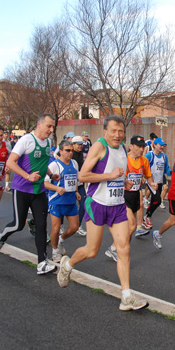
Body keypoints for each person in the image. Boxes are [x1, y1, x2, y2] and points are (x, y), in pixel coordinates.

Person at [57, 115, 149, 311]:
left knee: (124, 248)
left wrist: (122, 181)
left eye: (121, 131)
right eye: (113, 131)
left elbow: (117, 173)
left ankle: (126, 296)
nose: (117, 135)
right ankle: (67, 265)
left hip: (117, 205)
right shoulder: (100, 146)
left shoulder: (123, 148)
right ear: (104, 131)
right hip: (97, 203)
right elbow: (82, 175)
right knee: (92, 251)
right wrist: (110, 176)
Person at [0, 114, 59, 276]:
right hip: (22, 190)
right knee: (18, 224)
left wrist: (51, 174)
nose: (51, 130)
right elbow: (10, 162)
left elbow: (44, 160)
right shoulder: (26, 140)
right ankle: (1, 239)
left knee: (41, 225)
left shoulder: (48, 142)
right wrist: (28, 176)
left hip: (39, 190)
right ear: (39, 124)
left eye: (52, 127)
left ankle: (42, 262)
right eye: (49, 126)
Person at [106, 135, 156, 261]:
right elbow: (113, 175)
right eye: (139, 146)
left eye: (143, 146)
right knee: (132, 225)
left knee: (128, 228)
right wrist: (124, 181)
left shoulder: (144, 161)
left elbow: (148, 175)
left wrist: (152, 183)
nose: (141, 149)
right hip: (123, 195)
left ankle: (117, 248)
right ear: (131, 146)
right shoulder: (123, 159)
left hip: (135, 194)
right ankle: (115, 248)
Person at [46, 140, 81, 262]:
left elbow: (74, 179)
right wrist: (57, 188)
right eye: (67, 150)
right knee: (55, 229)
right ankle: (55, 251)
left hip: (70, 201)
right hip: (57, 201)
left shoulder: (75, 163)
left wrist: (76, 191)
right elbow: (44, 183)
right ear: (60, 151)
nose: (70, 153)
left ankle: (61, 240)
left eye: (71, 150)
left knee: (75, 227)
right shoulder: (54, 165)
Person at [141, 137, 171, 230]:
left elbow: (166, 168)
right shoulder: (149, 155)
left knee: (156, 200)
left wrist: (171, 172)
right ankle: (147, 216)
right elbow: (141, 165)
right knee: (157, 200)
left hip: (159, 181)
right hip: (151, 181)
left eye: (163, 145)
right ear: (155, 145)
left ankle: (147, 216)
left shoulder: (164, 156)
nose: (162, 147)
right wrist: (142, 176)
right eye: (160, 145)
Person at [71, 136, 87, 235]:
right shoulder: (70, 154)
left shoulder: (81, 154)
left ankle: (78, 225)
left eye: (81, 144)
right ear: (73, 145)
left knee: (83, 204)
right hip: (70, 184)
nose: (80, 146)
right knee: (66, 205)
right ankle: (60, 225)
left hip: (80, 184)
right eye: (78, 144)